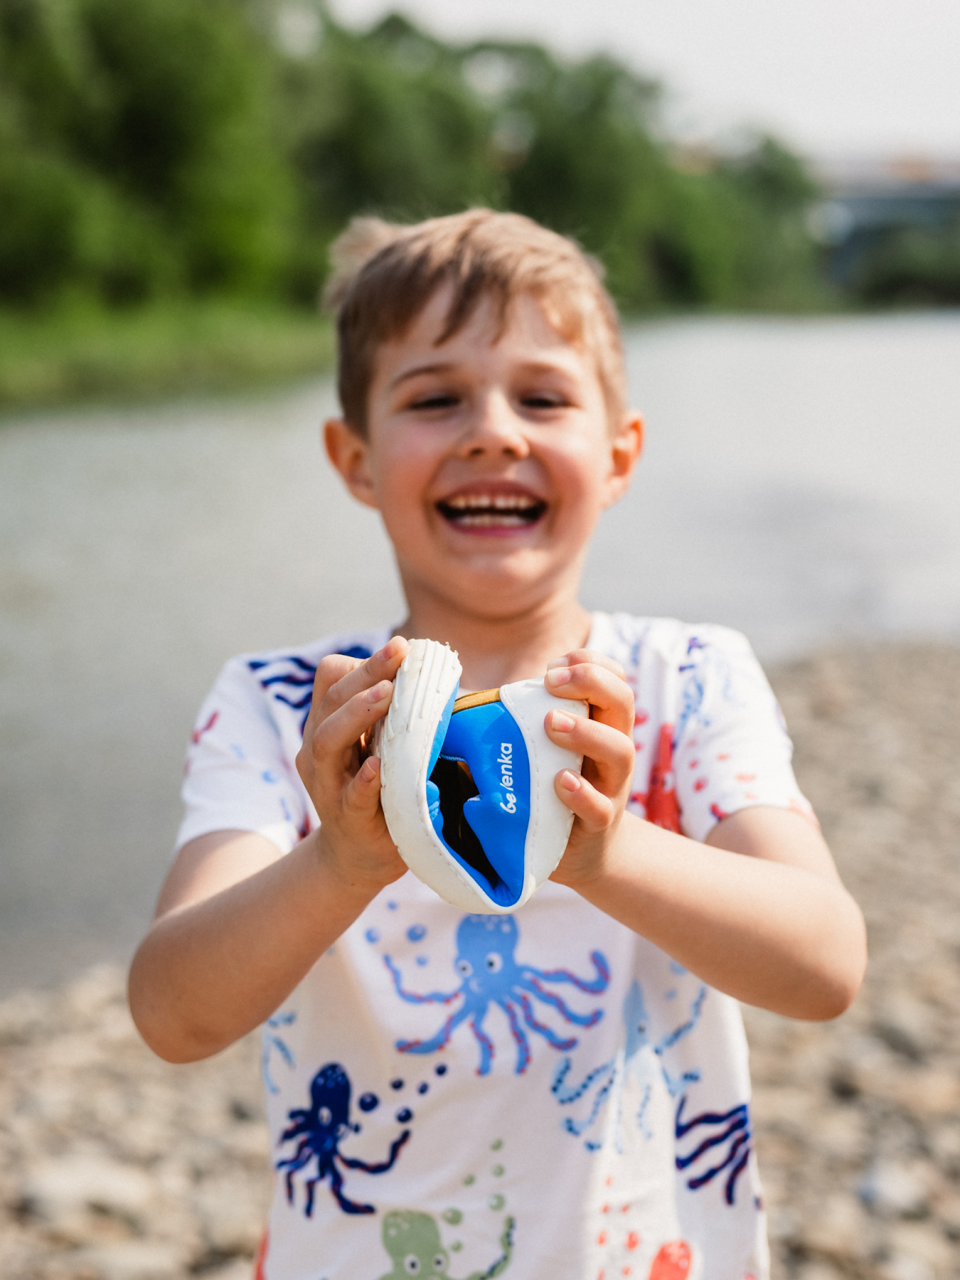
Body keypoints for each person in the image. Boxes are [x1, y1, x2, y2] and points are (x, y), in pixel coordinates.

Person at [128, 209, 866, 1280]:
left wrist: (603, 850)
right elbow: (171, 1011)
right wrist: (339, 860)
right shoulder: (289, 706)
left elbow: (824, 963)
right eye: (434, 397)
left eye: (543, 396)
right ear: (355, 458)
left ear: (620, 454)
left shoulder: (687, 679)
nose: (492, 431)